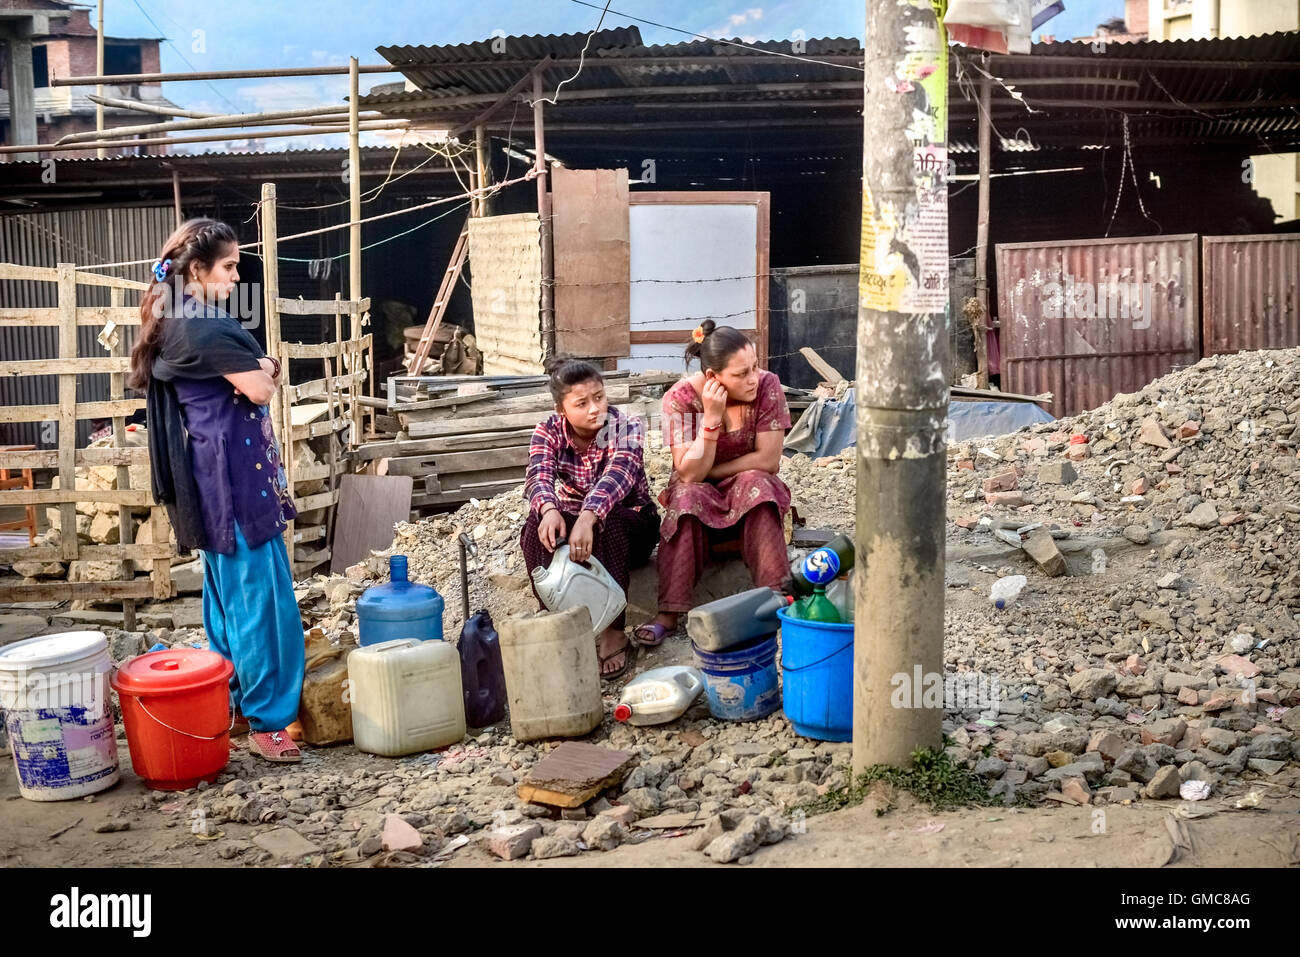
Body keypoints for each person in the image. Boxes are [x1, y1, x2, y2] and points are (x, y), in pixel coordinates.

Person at [128, 218, 304, 763]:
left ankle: (227, 705)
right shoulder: (202, 325)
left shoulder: (173, 319)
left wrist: (257, 368)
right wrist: (267, 367)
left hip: (214, 479)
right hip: (232, 483)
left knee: (228, 599)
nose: (234, 276)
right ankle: (267, 721)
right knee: (258, 602)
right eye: (227, 267)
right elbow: (259, 389)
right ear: (198, 270)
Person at [634, 321, 791, 645]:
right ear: (712, 379)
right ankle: (669, 612)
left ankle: (779, 598)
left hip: (747, 490)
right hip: (699, 492)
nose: (753, 379)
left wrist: (714, 471)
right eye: (741, 374)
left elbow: (768, 460)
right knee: (688, 498)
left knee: (756, 486)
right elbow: (690, 475)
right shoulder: (680, 399)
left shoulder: (767, 386)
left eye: (755, 367)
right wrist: (710, 420)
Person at [520, 356, 660, 678]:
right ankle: (555, 618)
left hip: (632, 522)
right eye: (581, 403)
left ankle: (613, 632)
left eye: (598, 397)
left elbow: (618, 476)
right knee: (535, 526)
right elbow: (538, 475)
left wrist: (589, 516)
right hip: (574, 522)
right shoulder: (548, 431)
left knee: (607, 523)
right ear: (561, 410)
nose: (594, 408)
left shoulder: (625, 427)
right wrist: (549, 509)